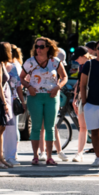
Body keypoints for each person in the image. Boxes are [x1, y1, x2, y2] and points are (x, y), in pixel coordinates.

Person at [23, 36, 68, 166]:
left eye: (41, 47)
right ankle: (35, 156)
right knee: (36, 127)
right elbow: (21, 78)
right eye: (36, 46)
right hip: (34, 97)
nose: (38, 49)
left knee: (50, 127)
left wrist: (58, 87)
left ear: (48, 48)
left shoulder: (55, 61)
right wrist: (29, 87)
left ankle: (49, 157)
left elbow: (64, 77)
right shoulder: (30, 62)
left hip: (51, 97)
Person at [3, 45, 27, 165]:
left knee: (12, 129)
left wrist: (22, 101)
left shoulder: (13, 67)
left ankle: (11, 155)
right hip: (0, 102)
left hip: (12, 101)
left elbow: (18, 86)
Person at [70, 50, 90, 161]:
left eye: (77, 58)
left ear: (84, 56)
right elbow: (79, 82)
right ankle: (79, 153)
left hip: (93, 98)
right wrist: (75, 99)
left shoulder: (92, 64)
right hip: (82, 98)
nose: (76, 60)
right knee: (82, 127)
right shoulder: (81, 66)